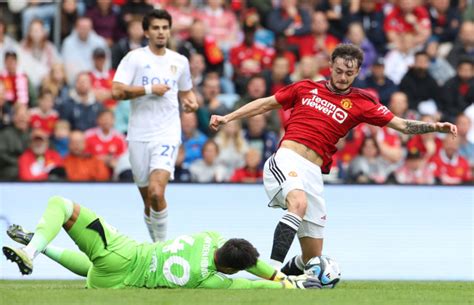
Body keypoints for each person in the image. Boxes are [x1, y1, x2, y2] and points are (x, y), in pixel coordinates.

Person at [209, 43, 457, 276]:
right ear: (330, 66)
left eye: (349, 72)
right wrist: (228, 117)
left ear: (358, 71)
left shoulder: (362, 103)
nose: (342, 76)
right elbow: (265, 104)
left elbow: (401, 125)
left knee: (311, 259)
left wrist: (434, 127)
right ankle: (271, 276)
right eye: (338, 70)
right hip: (288, 158)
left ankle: (287, 274)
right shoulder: (305, 88)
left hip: (313, 172)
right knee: (298, 203)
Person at [3, 196, 321, 289]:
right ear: (230, 268)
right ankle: (39, 246)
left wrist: (279, 275)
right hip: (114, 282)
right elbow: (252, 285)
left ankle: (32, 248)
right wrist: (286, 284)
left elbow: (248, 260)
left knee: (61, 206)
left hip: (126, 251)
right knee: (93, 269)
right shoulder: (211, 281)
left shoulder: (209, 237)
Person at [111, 9, 198, 243]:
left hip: (167, 134)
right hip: (138, 135)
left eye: (165, 28)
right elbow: (117, 91)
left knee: (157, 192)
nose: (161, 32)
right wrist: (149, 89)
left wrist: (190, 102)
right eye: (156, 28)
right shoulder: (134, 59)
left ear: (169, 31)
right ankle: (155, 245)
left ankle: (161, 249)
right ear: (146, 32)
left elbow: (186, 91)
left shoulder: (179, 61)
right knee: (148, 201)